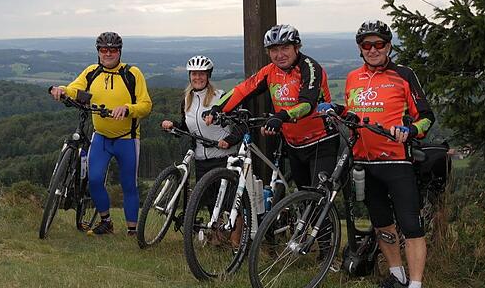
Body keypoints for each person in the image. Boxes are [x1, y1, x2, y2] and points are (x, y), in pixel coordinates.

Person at [318, 20, 435, 288]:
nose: (373, 49)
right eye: (367, 45)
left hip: (396, 162)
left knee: (411, 225)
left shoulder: (404, 74)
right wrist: (335, 109)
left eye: (379, 44)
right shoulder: (352, 78)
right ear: (360, 49)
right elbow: (354, 114)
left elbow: (427, 116)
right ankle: (397, 275)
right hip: (364, 163)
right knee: (382, 224)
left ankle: (415, 285)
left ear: (389, 46)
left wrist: (411, 129)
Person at [205, 24, 339, 190]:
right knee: (304, 197)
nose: (279, 55)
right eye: (274, 50)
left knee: (319, 198)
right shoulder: (270, 71)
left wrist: (281, 116)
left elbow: (307, 104)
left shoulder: (310, 68)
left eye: (285, 48)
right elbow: (243, 89)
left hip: (322, 141)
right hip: (294, 144)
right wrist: (217, 108)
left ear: (296, 47)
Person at [49, 32, 152, 236]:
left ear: (119, 52)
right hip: (101, 137)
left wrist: (128, 108)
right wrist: (61, 90)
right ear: (98, 51)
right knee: (94, 180)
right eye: (104, 49)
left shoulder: (132, 74)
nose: (108, 53)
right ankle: (106, 222)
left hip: (127, 139)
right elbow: (74, 89)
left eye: (113, 49)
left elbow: (146, 105)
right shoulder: (92, 72)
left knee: (128, 184)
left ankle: (132, 230)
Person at [160, 55, 241, 183]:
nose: (197, 78)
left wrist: (229, 141)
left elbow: (240, 124)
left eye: (202, 74)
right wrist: (172, 126)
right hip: (201, 162)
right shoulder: (187, 101)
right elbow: (187, 127)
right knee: (203, 202)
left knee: (225, 203)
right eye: (194, 74)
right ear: (190, 76)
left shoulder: (221, 98)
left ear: (208, 76)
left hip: (224, 159)